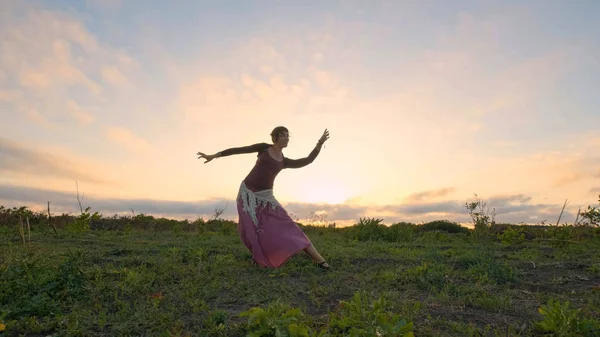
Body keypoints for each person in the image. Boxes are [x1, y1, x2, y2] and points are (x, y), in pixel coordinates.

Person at [196, 127, 331, 270]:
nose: (286, 138)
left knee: (289, 225)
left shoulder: (283, 161)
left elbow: (307, 160)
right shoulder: (264, 149)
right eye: (283, 135)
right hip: (247, 193)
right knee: (251, 229)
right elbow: (238, 150)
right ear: (275, 138)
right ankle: (259, 258)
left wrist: (320, 143)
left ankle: (319, 260)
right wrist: (213, 155)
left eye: (287, 136)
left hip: (266, 197)